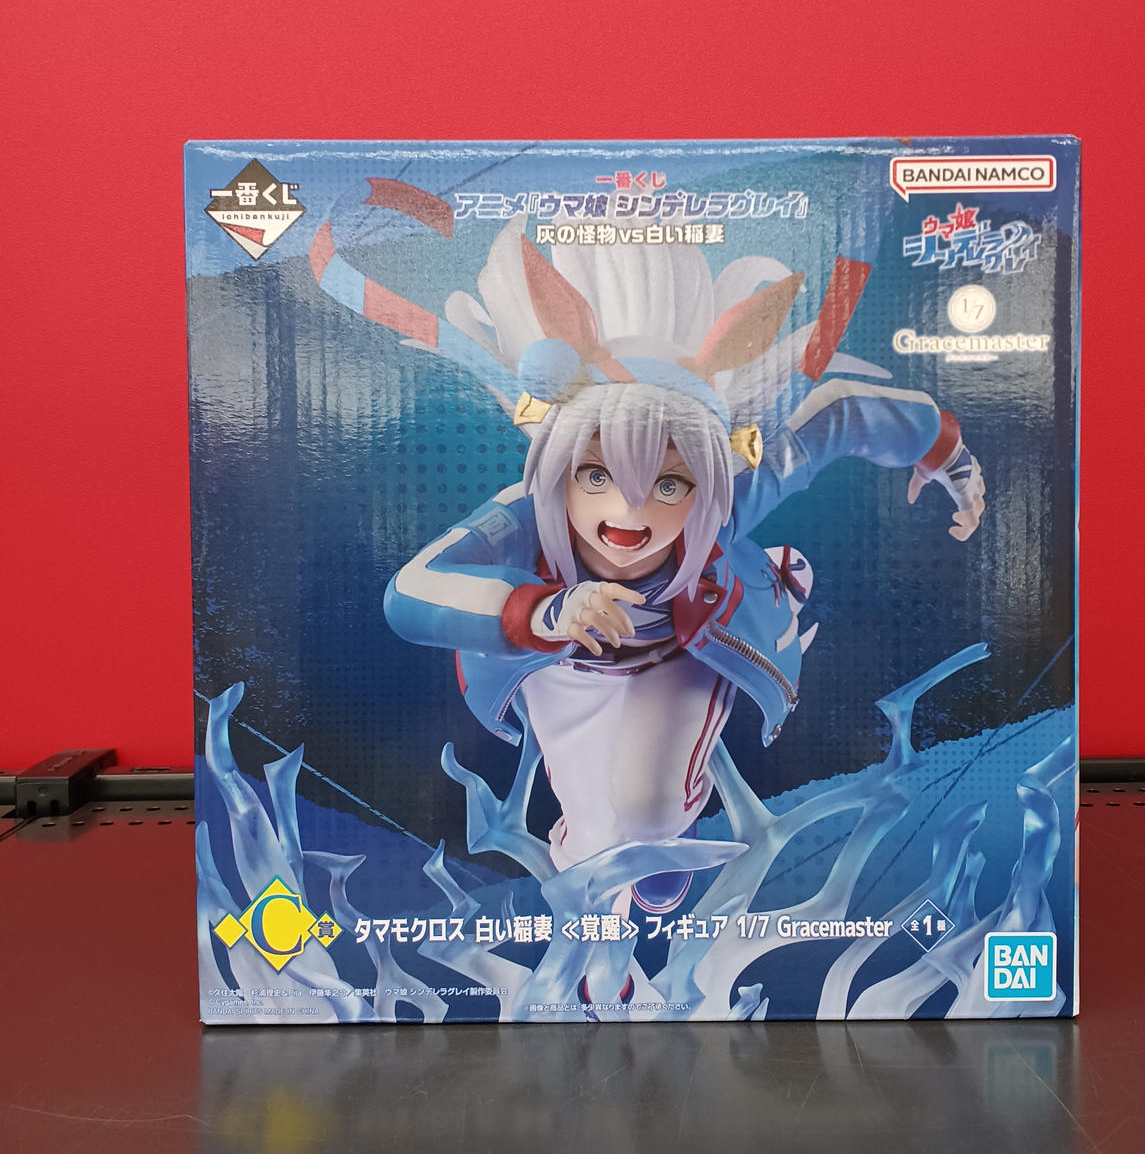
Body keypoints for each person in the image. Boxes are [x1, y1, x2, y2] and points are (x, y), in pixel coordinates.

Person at [342, 211, 987, 914]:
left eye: (669, 484)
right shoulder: (525, 512)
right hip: (561, 664)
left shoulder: (721, 499)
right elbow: (409, 593)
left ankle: (667, 823)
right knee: (591, 838)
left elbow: (835, 415)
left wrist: (949, 455)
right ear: (561, 467)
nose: (629, 511)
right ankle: (611, 886)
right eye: (597, 475)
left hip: (681, 648)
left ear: (701, 478)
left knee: (649, 818)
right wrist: (547, 612)